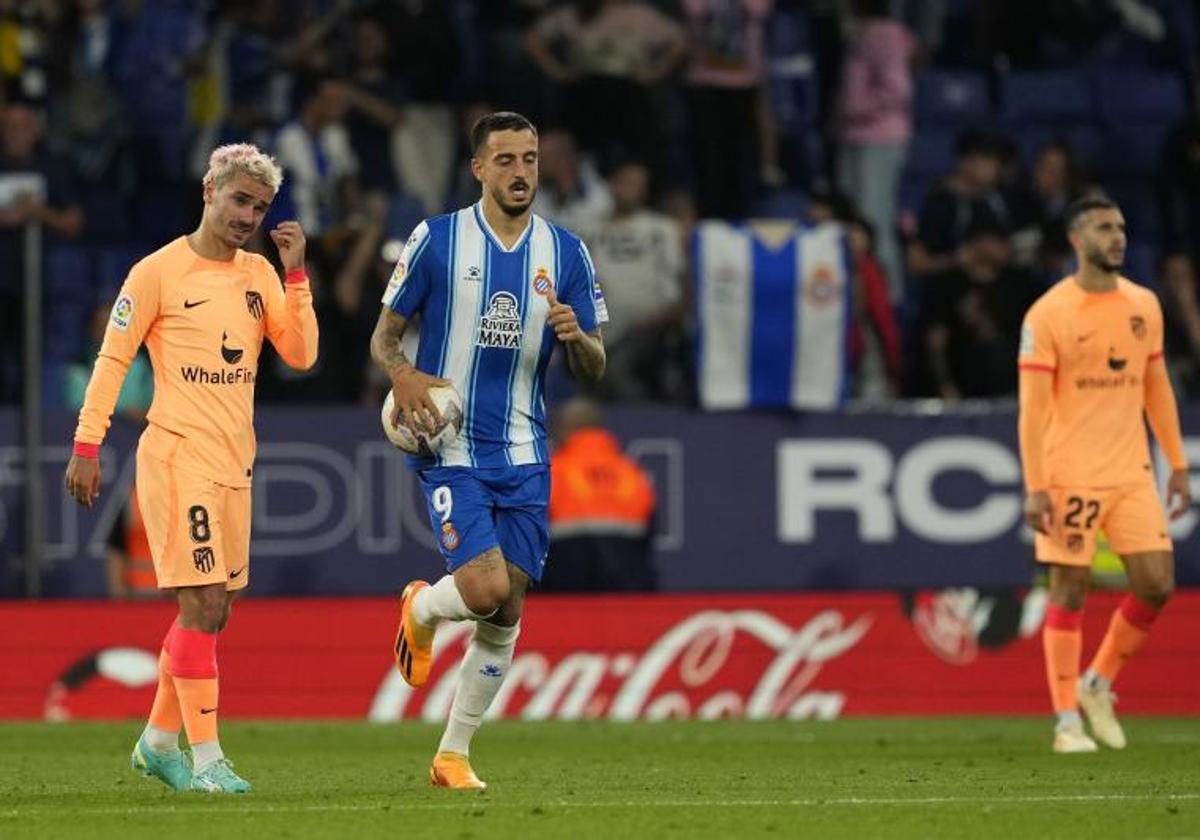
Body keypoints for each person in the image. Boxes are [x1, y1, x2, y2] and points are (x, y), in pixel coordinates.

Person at [64, 143, 319, 792]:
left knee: (216, 611)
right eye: (239, 200)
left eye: (258, 207)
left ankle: (156, 743)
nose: (247, 216)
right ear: (209, 192)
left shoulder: (260, 275)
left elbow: (300, 354)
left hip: (235, 461)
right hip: (178, 456)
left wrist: (295, 275)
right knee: (202, 601)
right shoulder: (156, 273)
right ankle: (207, 762)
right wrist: (87, 445)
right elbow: (114, 360)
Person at [370, 111, 606, 789]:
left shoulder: (565, 253)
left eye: (529, 158)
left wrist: (579, 338)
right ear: (478, 168)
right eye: (504, 160)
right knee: (483, 588)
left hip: (526, 449)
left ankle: (452, 755)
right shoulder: (438, 240)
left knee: (506, 611)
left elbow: (595, 366)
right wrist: (403, 374)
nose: (520, 172)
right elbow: (384, 337)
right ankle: (421, 608)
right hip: (451, 444)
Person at [1018, 195, 1190, 754]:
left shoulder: (1144, 304)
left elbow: (1156, 388)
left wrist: (1179, 464)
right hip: (1071, 473)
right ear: (1076, 239)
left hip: (1131, 471)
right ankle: (1066, 721)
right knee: (1070, 588)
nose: (1117, 236)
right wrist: (1037, 485)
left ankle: (1098, 683)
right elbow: (1033, 409)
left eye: (1120, 226)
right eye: (1103, 228)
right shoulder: (1048, 314)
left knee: (1157, 584)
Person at [542, 398, 657, 592]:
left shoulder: (554, 471)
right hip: (628, 591)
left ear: (564, 428)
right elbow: (649, 532)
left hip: (566, 591)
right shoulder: (633, 473)